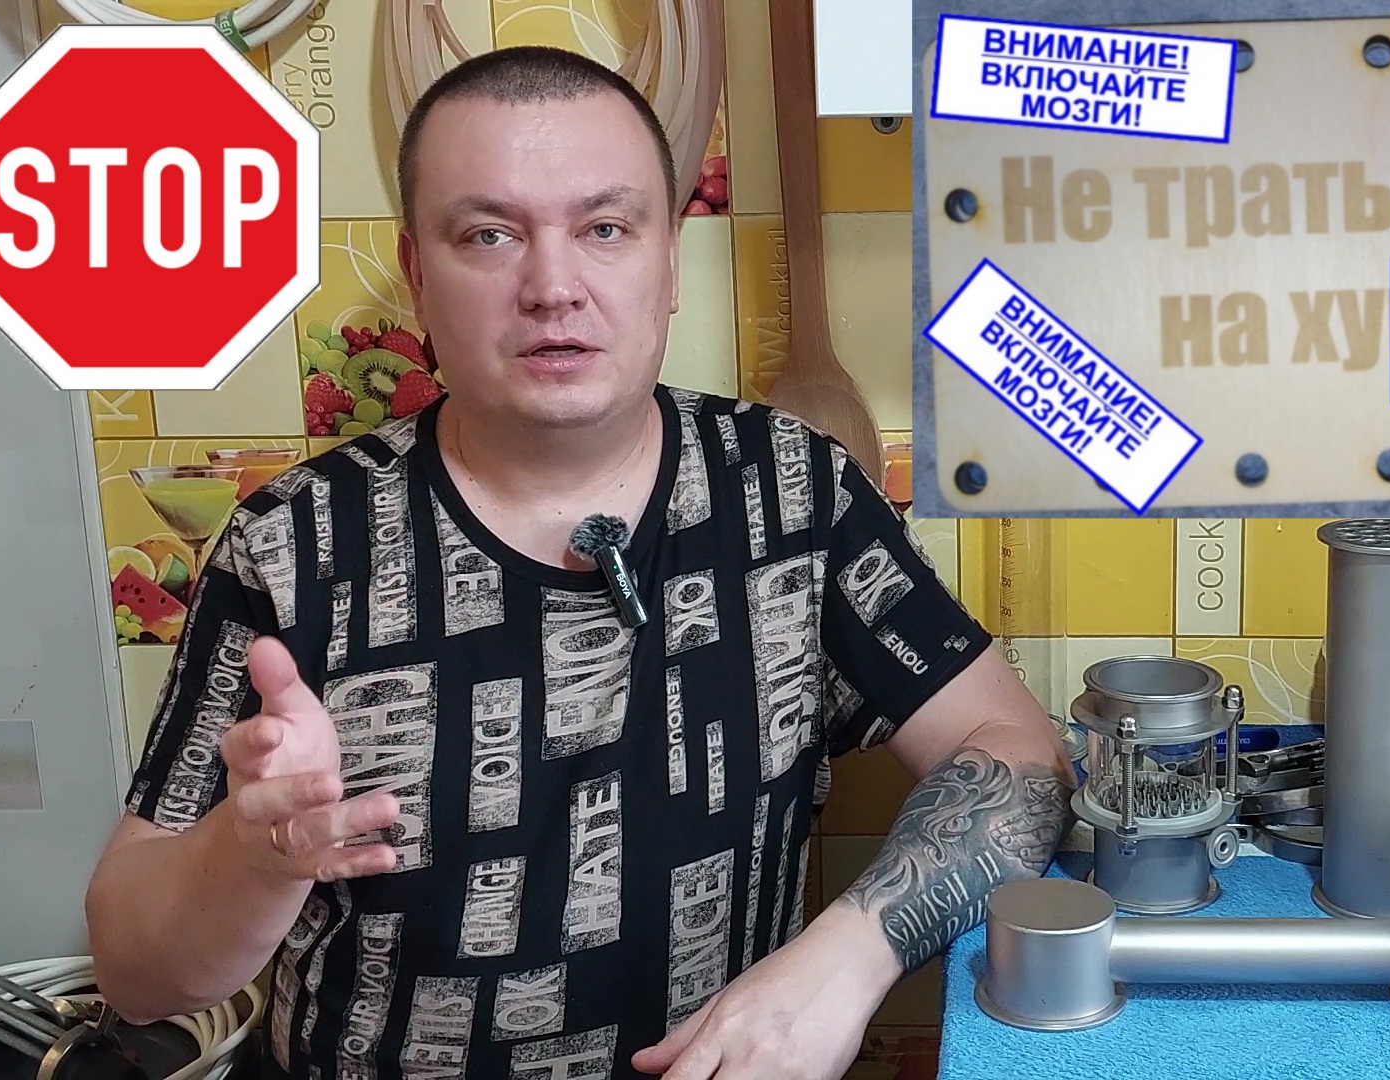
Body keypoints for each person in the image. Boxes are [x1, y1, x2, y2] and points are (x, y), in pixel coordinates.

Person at [84, 45, 1072, 1080]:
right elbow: (136, 977)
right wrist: (250, 860)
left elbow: (1021, 755)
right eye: (489, 235)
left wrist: (849, 957)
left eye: (605, 229)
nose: (553, 288)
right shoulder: (292, 543)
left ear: (668, 264)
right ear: (418, 276)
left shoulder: (793, 490)